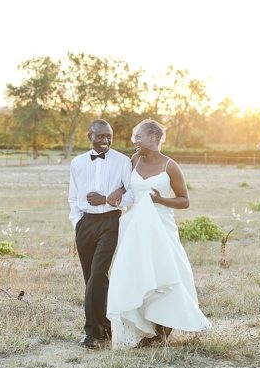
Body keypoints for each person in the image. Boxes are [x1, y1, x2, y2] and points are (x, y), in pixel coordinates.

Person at [107, 119, 211, 348]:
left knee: (167, 272)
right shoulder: (134, 160)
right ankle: (143, 327)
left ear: (154, 138)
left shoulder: (170, 166)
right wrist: (119, 190)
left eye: (139, 137)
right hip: (135, 228)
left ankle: (163, 331)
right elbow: (128, 185)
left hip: (162, 226)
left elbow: (185, 201)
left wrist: (160, 199)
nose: (135, 141)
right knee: (139, 273)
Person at [68, 119, 132, 349]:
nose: (105, 140)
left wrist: (107, 199)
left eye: (109, 136)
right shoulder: (77, 163)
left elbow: (132, 194)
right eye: (100, 136)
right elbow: (73, 198)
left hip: (110, 221)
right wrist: (77, 224)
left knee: (98, 274)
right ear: (90, 136)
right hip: (85, 223)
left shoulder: (123, 161)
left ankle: (91, 333)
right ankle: (104, 326)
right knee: (92, 279)